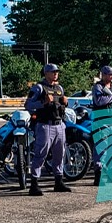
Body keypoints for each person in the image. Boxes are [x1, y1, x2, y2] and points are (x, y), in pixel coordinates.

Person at [25, 63, 71, 196]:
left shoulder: (59, 88)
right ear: (46, 73)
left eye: (57, 71)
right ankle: (34, 184)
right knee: (41, 154)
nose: (56, 74)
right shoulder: (39, 88)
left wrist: (65, 102)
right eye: (53, 72)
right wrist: (43, 103)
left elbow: (61, 104)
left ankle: (58, 181)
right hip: (45, 125)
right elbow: (28, 105)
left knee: (59, 154)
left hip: (59, 124)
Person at [90, 65, 112, 186]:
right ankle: (98, 175)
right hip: (101, 122)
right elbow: (99, 101)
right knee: (101, 149)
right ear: (104, 75)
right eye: (110, 74)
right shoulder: (98, 87)